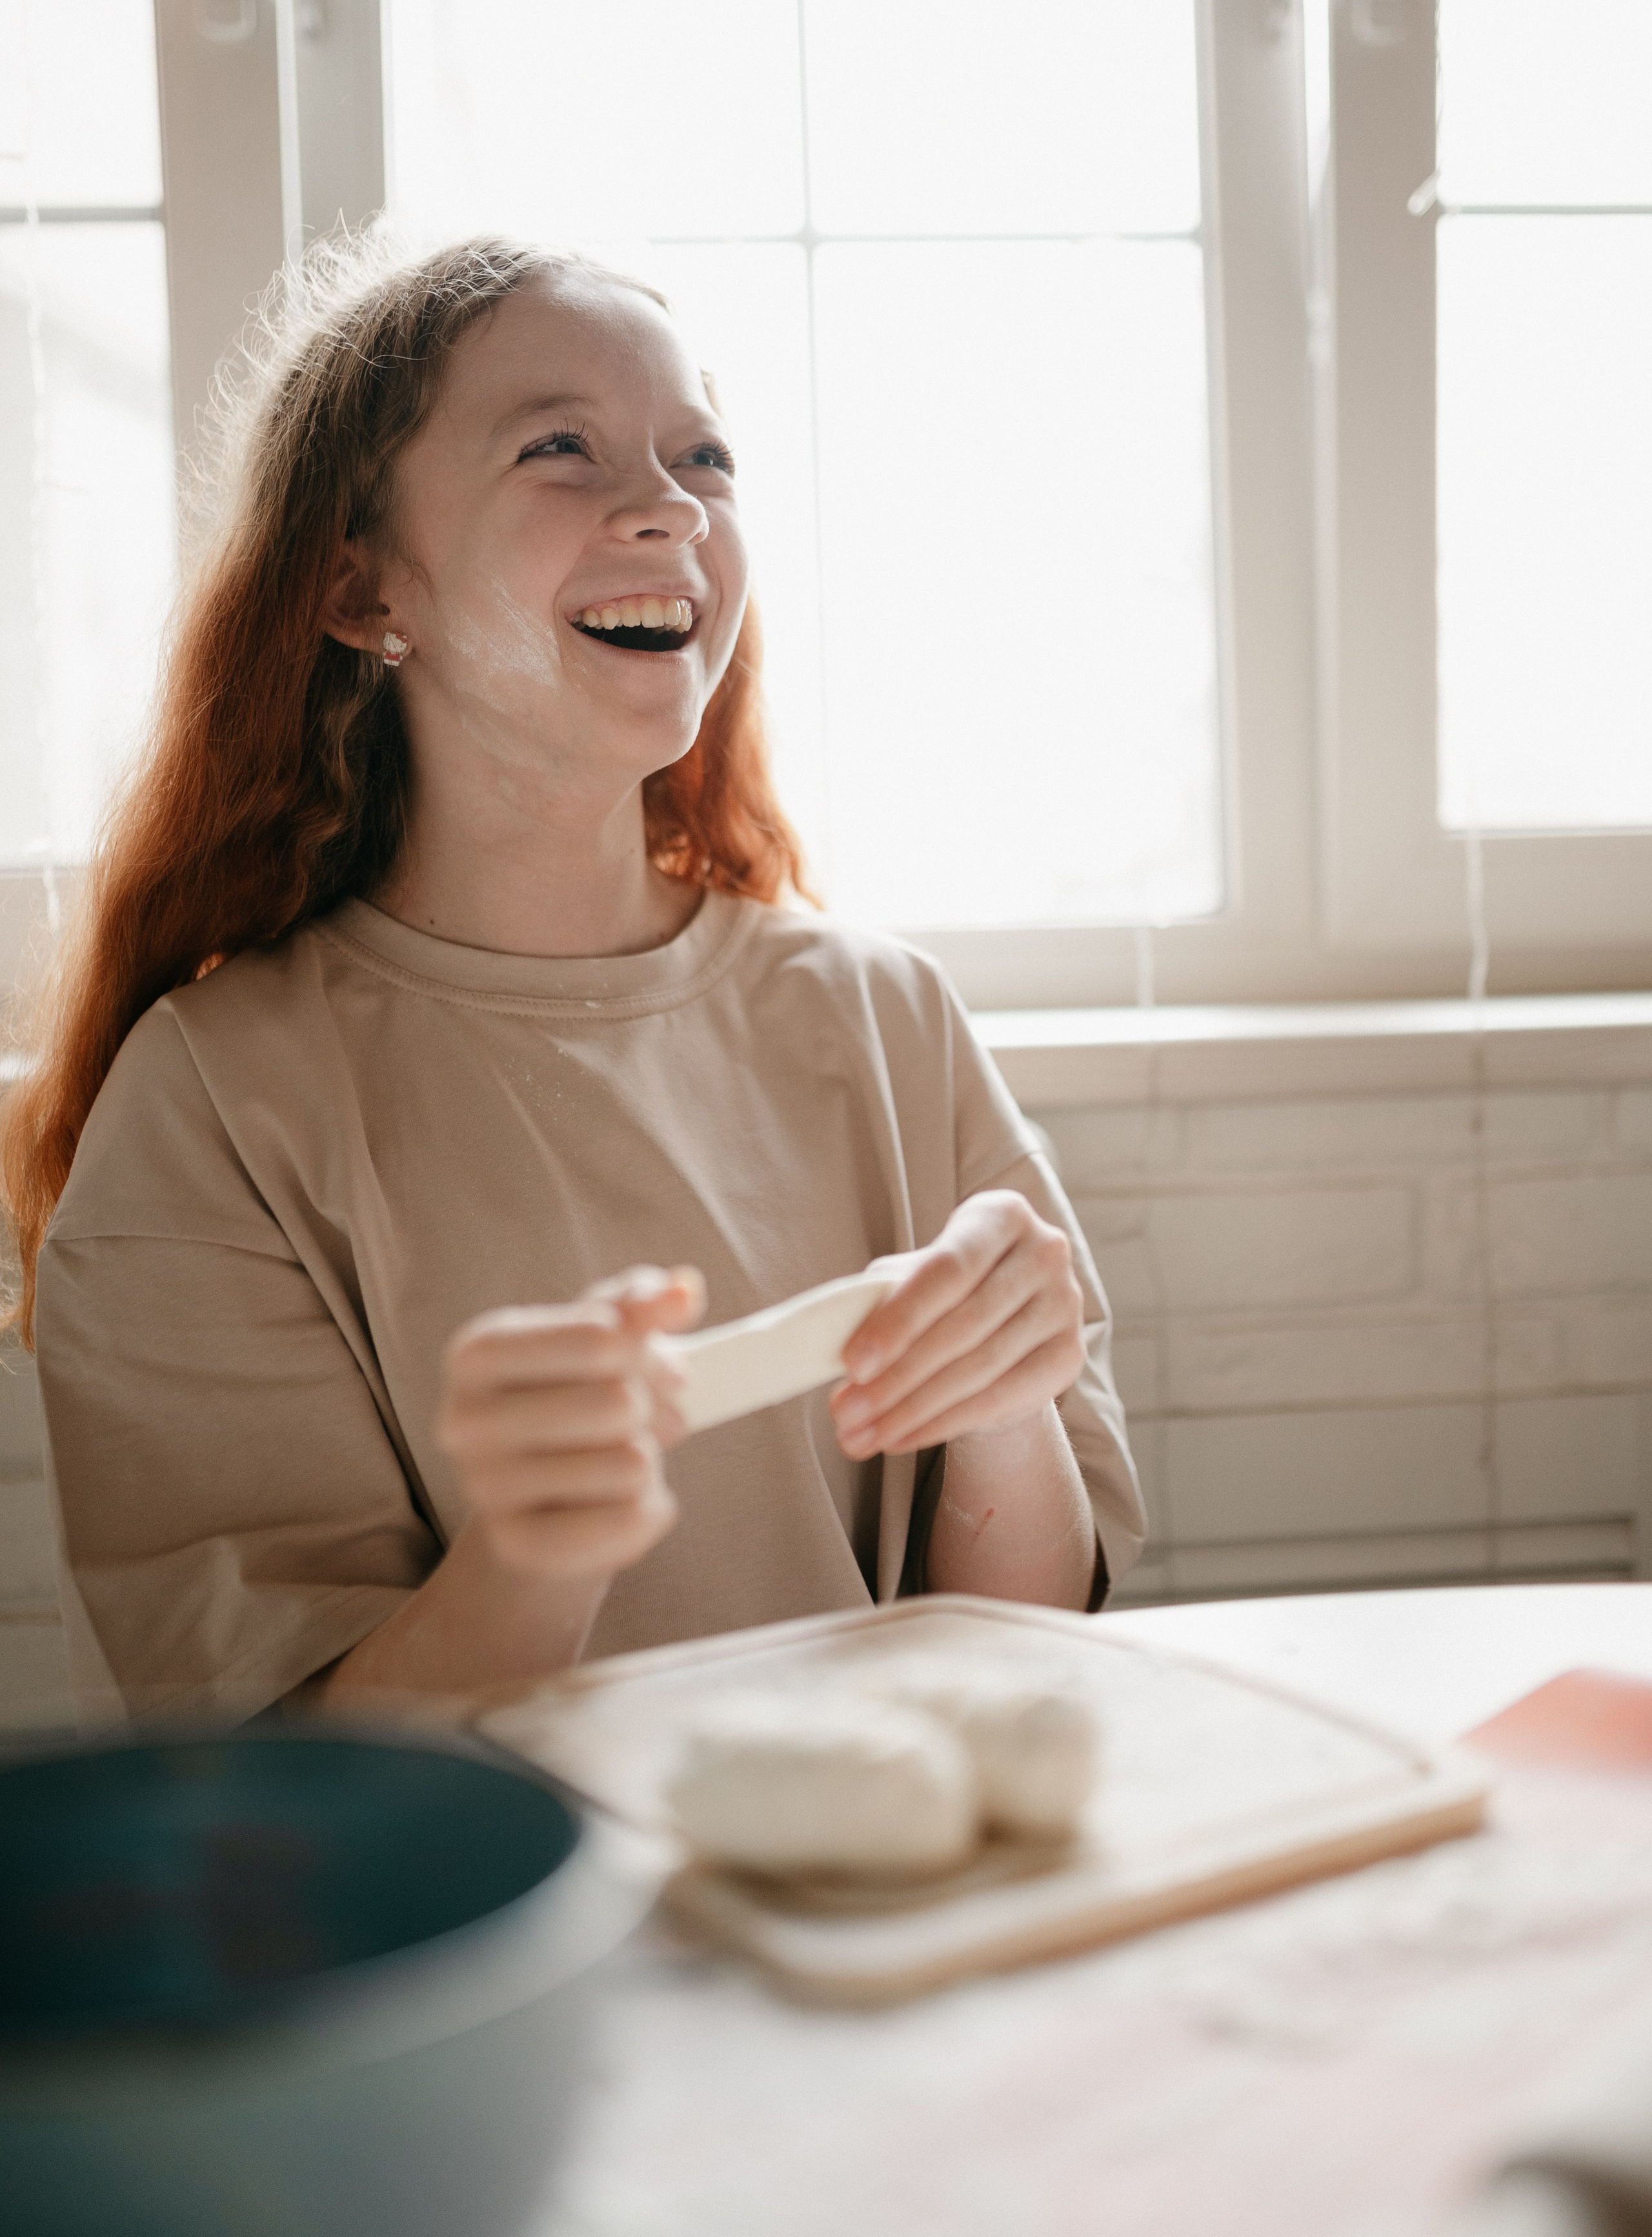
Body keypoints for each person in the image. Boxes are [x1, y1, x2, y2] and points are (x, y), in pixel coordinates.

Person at [1, 236, 1145, 1724]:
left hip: (886, 1923)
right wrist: (530, 1562)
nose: (668, 504)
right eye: (561, 448)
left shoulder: (885, 1014)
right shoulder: (212, 1101)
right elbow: (277, 1788)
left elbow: (1033, 1638)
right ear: (359, 588)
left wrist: (1002, 1409)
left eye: (703, 456)